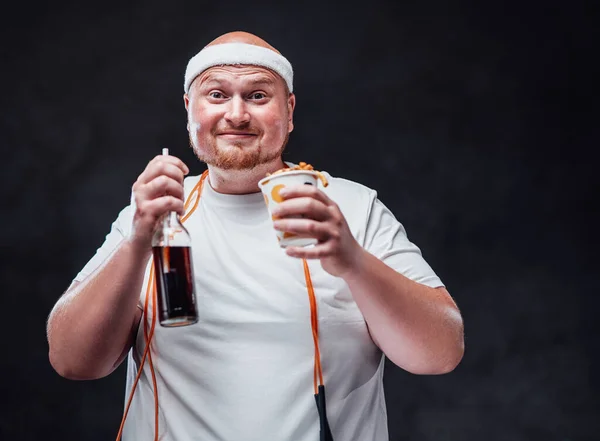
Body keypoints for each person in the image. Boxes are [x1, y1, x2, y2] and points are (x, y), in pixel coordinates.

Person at [47, 31, 464, 441]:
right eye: (216, 95)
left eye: (258, 96)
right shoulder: (155, 212)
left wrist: (353, 260)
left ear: (290, 110)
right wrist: (138, 239)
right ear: (190, 109)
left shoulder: (352, 209)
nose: (237, 114)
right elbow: (72, 360)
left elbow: (440, 354)